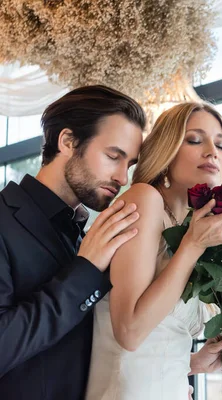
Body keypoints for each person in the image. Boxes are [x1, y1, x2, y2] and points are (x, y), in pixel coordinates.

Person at [86, 101, 222, 399]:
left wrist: (192, 363)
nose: (212, 152)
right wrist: (193, 246)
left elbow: (154, 343)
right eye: (194, 139)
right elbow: (129, 332)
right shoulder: (145, 199)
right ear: (167, 151)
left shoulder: (190, 230)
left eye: (221, 144)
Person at [0, 85, 146, 399]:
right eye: (113, 156)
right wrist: (85, 270)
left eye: (129, 164)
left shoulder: (88, 237)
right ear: (67, 141)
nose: (122, 177)